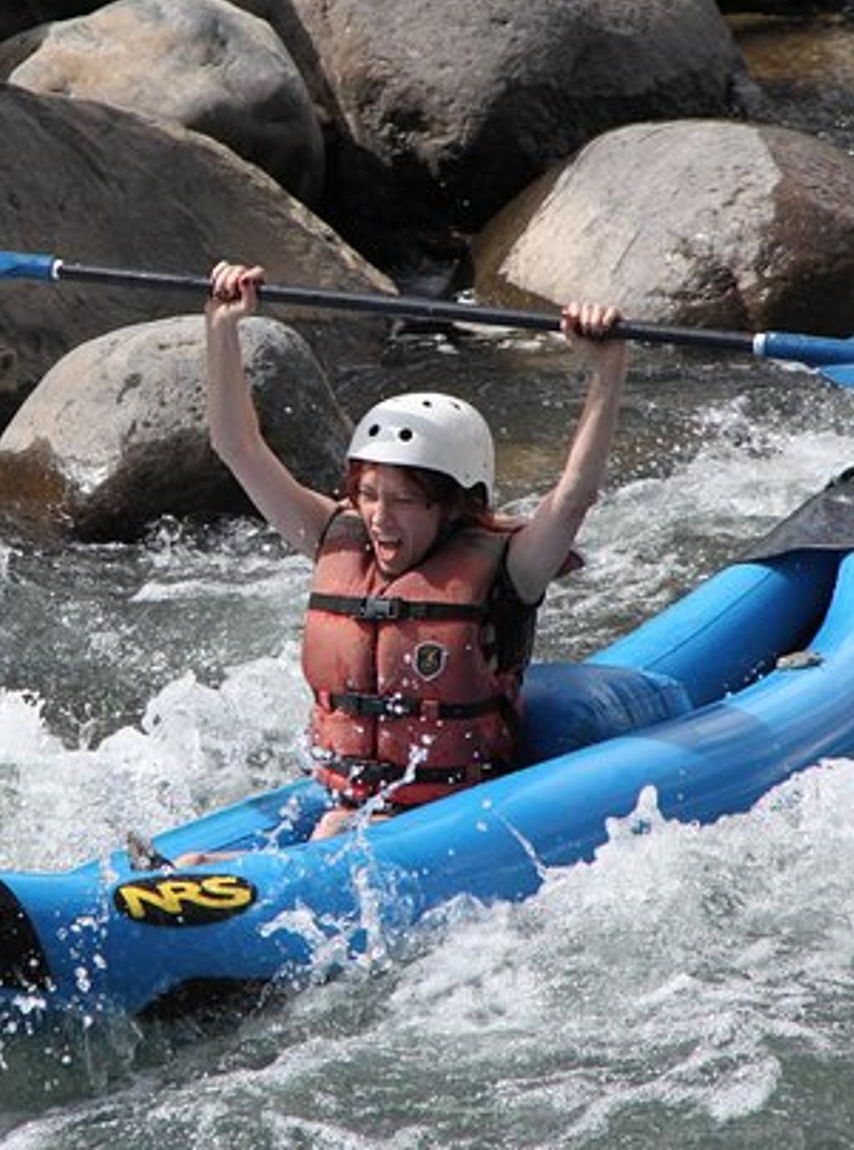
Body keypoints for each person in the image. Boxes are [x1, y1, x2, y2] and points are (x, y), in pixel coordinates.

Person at [202, 261, 629, 846]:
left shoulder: (510, 567)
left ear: (453, 507)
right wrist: (222, 328)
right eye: (369, 495)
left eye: (404, 501)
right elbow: (236, 447)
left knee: (332, 835)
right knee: (327, 828)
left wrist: (607, 367)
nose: (379, 518)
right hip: (348, 802)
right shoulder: (335, 537)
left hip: (457, 818)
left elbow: (575, 494)